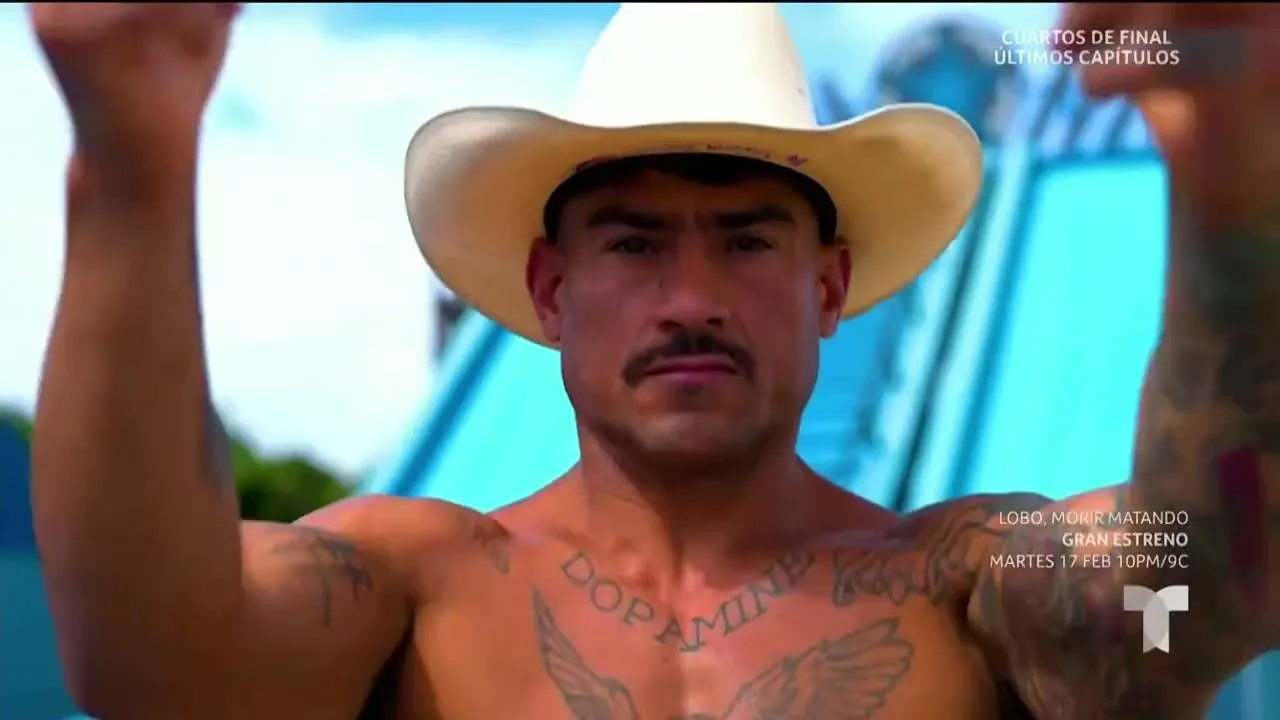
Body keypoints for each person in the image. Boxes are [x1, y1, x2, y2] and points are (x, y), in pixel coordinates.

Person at [27, 2, 1279, 718]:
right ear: (548, 289)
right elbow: (150, 662)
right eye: (632, 244)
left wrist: (1232, 163)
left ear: (828, 288)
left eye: (746, 240)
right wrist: (131, 162)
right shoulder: (419, 592)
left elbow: (1205, 582)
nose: (691, 298)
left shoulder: (958, 585)